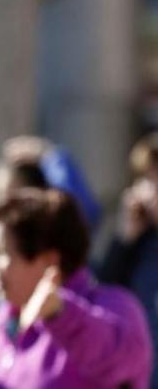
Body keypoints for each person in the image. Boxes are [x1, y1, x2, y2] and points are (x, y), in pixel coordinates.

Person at [0, 188, 152, 388]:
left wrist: (60, 314)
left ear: (50, 260)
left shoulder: (117, 306)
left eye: (1, 252)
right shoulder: (1, 320)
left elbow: (122, 360)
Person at [99, 132, 158, 388]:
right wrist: (123, 241)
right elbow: (104, 298)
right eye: (143, 180)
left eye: (152, 180)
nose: (143, 192)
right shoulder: (137, 243)